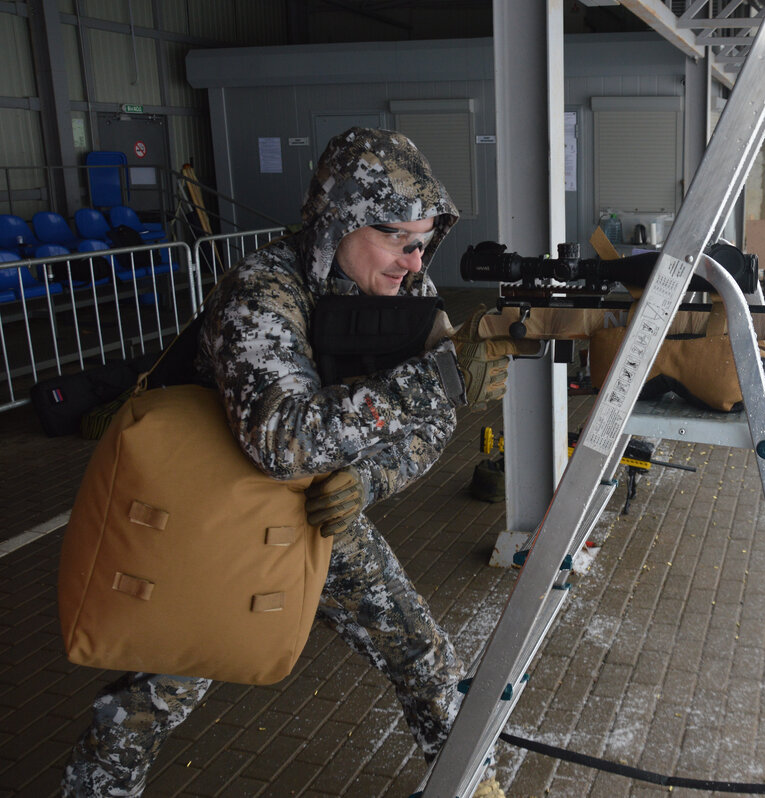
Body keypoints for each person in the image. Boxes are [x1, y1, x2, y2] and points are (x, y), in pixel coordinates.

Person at [63, 127, 508, 797]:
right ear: (340, 219)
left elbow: (433, 422)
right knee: (160, 692)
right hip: (217, 516)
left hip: (318, 508)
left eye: (422, 244)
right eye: (396, 239)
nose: (413, 264)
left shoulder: (404, 291)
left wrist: (368, 478)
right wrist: (434, 379)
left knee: (422, 654)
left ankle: (470, 784)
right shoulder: (261, 293)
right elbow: (282, 442)